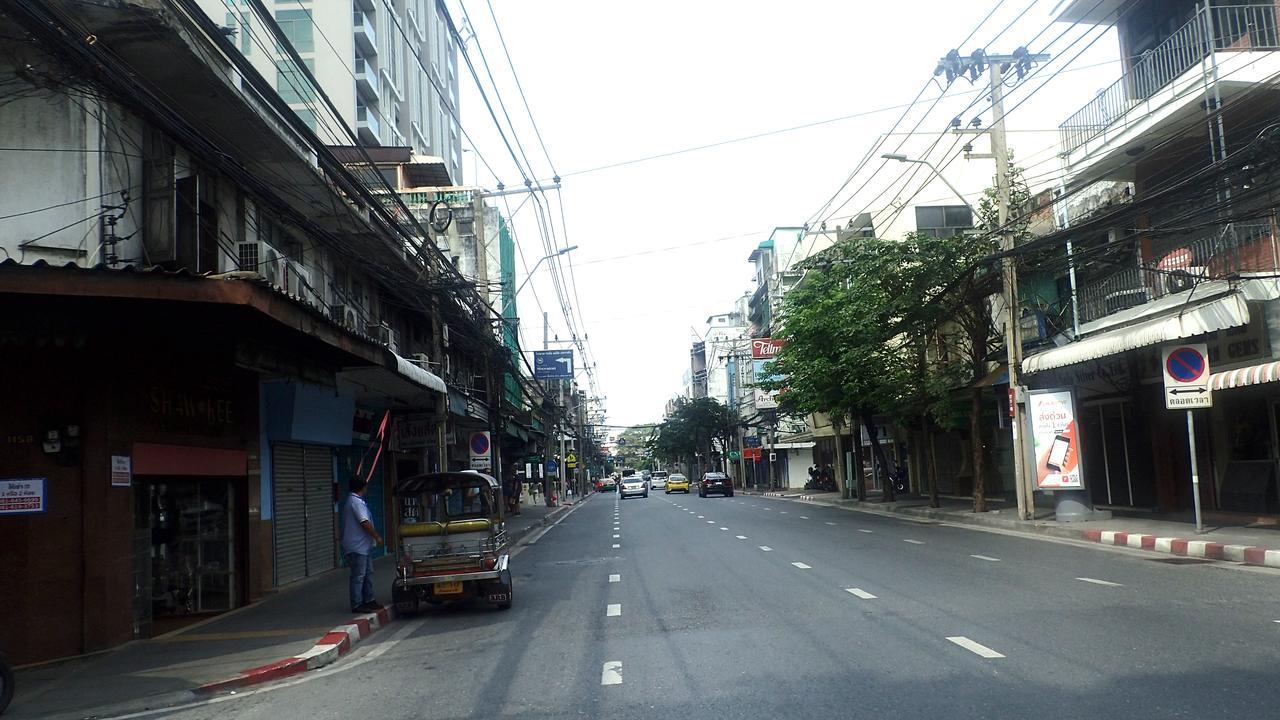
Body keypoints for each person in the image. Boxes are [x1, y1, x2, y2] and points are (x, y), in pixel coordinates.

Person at [341, 477, 383, 613]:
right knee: (359, 576)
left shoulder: (355, 501)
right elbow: (364, 522)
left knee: (368, 573)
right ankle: (357, 603)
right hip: (357, 546)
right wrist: (376, 536)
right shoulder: (355, 502)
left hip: (363, 546)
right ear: (362, 487)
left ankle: (369, 599)